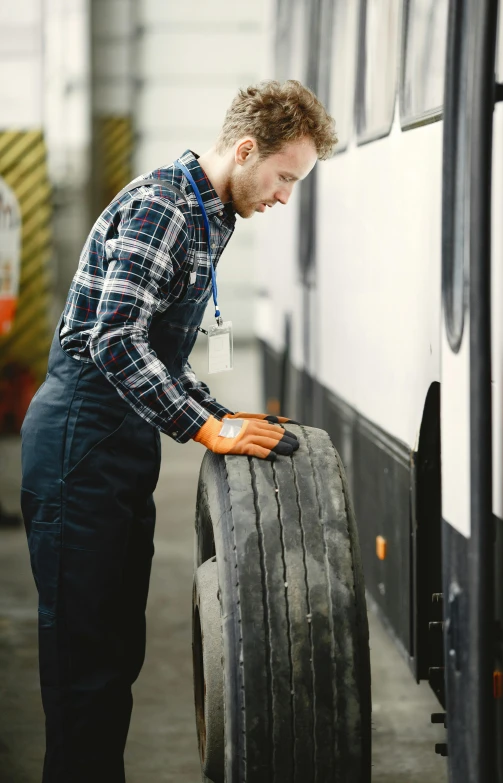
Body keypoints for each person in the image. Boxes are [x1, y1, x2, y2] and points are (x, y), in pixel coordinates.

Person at [20, 79, 337, 782]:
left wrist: (222, 414)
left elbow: (158, 356)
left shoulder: (210, 214)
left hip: (118, 443)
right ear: (247, 149)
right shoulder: (163, 207)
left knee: (114, 652)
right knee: (84, 667)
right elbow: (116, 341)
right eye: (284, 177)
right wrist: (203, 427)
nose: (285, 196)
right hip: (80, 440)